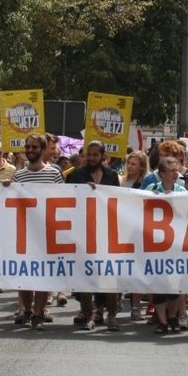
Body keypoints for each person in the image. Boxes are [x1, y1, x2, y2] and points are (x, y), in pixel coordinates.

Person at [7, 134, 64, 330]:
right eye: (27, 146)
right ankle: (28, 310)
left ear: (42, 149)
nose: (30, 150)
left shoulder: (54, 173)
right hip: (23, 232)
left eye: (34, 147)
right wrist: (6, 188)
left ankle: (38, 314)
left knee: (43, 275)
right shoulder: (19, 175)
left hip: (46, 232)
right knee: (24, 274)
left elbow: (65, 199)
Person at [66, 141, 121, 331]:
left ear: (103, 157)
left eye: (95, 155)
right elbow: (66, 200)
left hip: (106, 232)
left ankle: (111, 315)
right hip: (83, 232)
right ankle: (88, 315)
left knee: (109, 275)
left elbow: (119, 201)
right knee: (85, 275)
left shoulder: (112, 176)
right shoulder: (76, 175)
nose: (91, 158)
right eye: (88, 154)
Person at [147, 159, 187, 333]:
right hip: (155, 242)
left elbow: (187, 213)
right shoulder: (151, 190)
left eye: (176, 170)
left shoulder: (182, 191)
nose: (175, 173)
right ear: (162, 174)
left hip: (174, 243)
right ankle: (162, 321)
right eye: (171, 171)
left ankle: (172, 316)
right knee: (158, 283)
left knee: (173, 283)